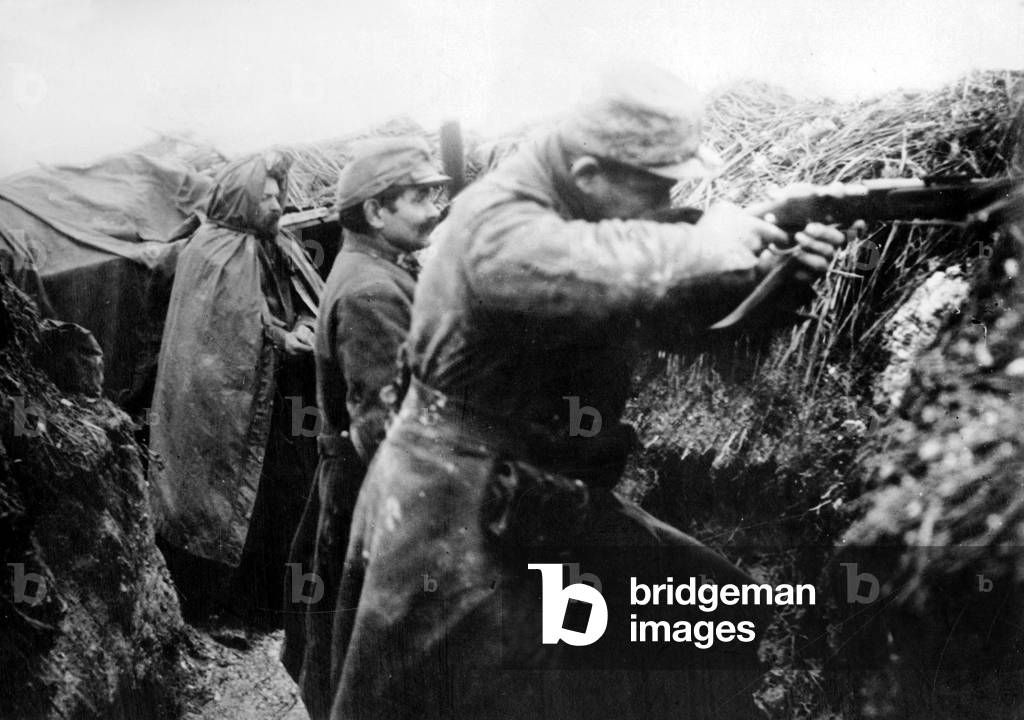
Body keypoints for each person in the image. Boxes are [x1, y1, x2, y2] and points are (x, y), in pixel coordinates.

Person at [325, 67, 846, 719]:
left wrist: (781, 277)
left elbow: (680, 323)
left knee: (713, 606)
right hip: (458, 506)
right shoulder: (498, 222)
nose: (666, 201)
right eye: (654, 188)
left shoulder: (583, 217)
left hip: (542, 496)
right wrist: (699, 242)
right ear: (592, 172)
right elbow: (585, 259)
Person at [280, 136, 448, 719]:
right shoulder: (372, 291)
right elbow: (382, 431)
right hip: (374, 492)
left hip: (359, 486)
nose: (436, 208)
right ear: (376, 211)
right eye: (421, 197)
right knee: (375, 650)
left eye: (437, 194)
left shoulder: (374, 269)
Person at [149, 151, 322, 625]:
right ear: (242, 198)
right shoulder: (210, 252)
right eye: (264, 196)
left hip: (277, 399)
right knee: (239, 503)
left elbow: (306, 297)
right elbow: (225, 334)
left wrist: (305, 325)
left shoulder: (276, 243)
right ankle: (231, 609)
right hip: (232, 407)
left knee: (283, 500)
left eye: (277, 195)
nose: (275, 205)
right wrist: (281, 339)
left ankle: (275, 605)